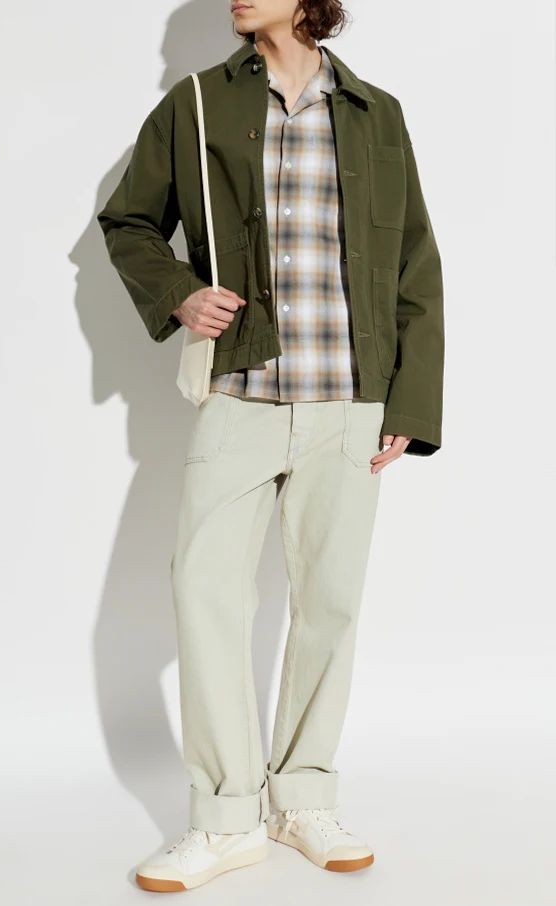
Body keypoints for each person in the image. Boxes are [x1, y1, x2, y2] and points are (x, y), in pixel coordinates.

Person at [97, 0, 444, 893]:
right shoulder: (197, 103)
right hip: (240, 393)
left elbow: (415, 260)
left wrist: (409, 398)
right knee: (204, 592)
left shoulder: (376, 114)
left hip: (350, 398)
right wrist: (179, 293)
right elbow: (129, 220)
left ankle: (304, 801)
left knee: (329, 603)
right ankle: (224, 819)